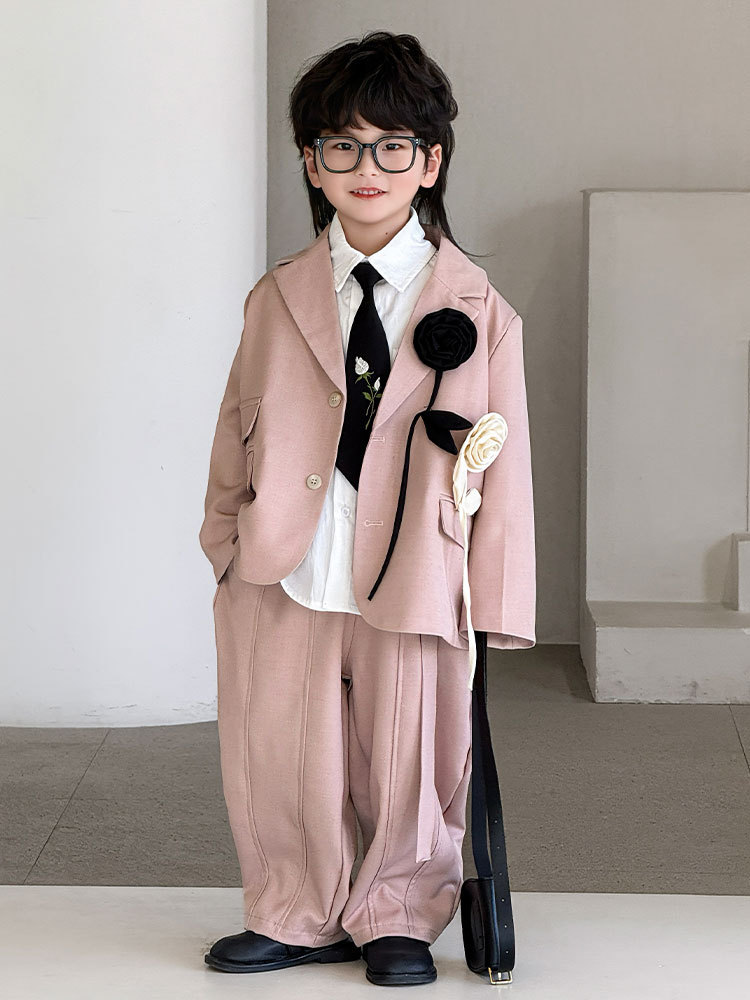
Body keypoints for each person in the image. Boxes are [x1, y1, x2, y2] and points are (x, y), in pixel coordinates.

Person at [199, 30, 536, 987]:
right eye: (342, 145)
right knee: (279, 746)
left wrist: (495, 601)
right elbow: (234, 426)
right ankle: (294, 908)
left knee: (410, 751)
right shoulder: (278, 296)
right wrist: (225, 543)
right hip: (287, 564)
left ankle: (397, 912)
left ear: (431, 161)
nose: (368, 167)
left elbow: (506, 461)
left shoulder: (479, 307)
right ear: (312, 162)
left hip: (419, 569)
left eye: (393, 146)